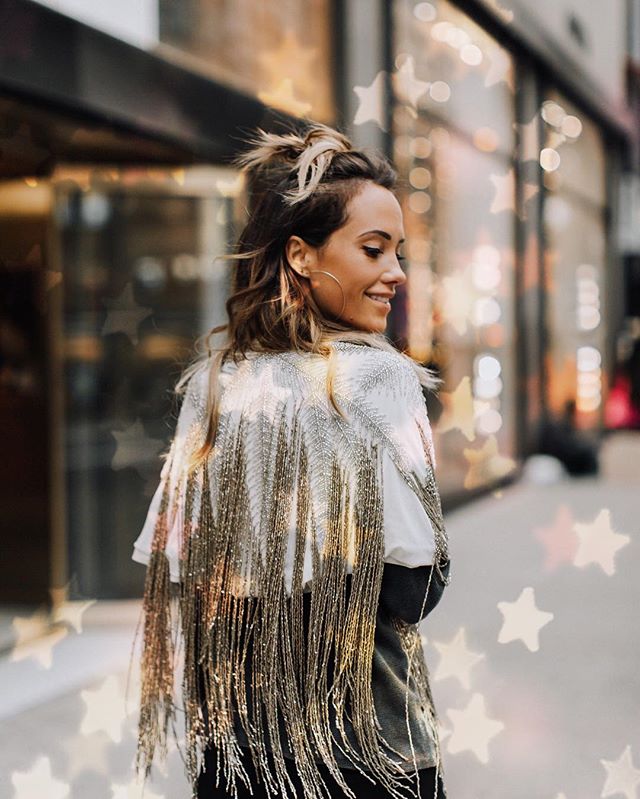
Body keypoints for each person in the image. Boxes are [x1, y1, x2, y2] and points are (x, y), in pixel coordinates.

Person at [129, 121, 452, 799]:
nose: (395, 273)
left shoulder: (216, 383)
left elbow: (184, 564)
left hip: (239, 751)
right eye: (373, 250)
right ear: (301, 255)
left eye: (397, 252)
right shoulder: (377, 380)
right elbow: (412, 588)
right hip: (364, 751)